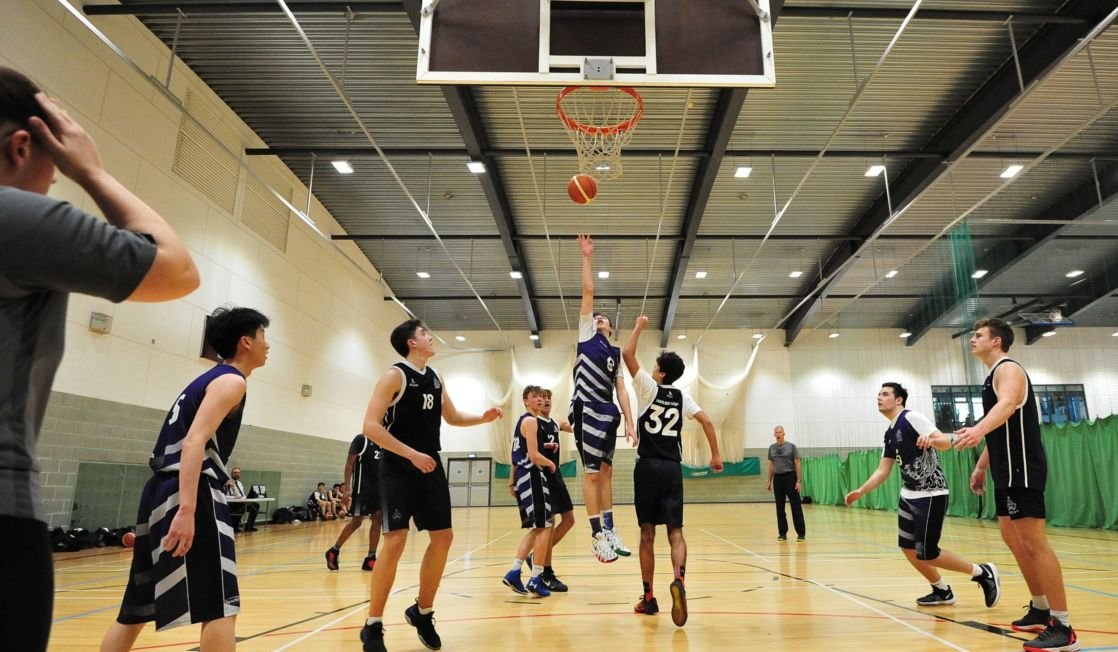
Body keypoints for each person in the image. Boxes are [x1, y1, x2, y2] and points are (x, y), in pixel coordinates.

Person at [1, 67, 199, 651]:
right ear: (21, 147)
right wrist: (90, 171)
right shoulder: (15, 217)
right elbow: (175, 270)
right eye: (52, 168)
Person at [100, 307, 269, 651]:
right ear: (246, 341)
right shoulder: (231, 381)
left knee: (135, 610)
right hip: (189, 491)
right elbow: (194, 442)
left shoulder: (206, 380)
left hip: (160, 491)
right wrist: (188, 510)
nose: (269, 345)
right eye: (264, 336)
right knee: (220, 606)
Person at [359, 319, 503, 652]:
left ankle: (422, 611)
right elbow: (369, 426)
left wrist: (482, 418)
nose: (430, 337)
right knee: (395, 541)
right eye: (424, 333)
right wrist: (410, 454)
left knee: (444, 537)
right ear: (411, 343)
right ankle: (373, 625)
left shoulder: (436, 377)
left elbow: (451, 417)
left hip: (428, 464)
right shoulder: (394, 376)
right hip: (397, 465)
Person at [955, 318, 1078, 651]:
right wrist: (982, 464)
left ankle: (1063, 627)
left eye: (978, 335)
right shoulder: (991, 376)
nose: (972, 340)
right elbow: (999, 427)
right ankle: (1040, 606)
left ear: (997, 341)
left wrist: (976, 430)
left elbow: (1008, 406)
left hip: (1023, 467)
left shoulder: (1008, 369)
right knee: (1012, 538)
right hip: (1005, 468)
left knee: (1034, 542)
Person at [845, 382, 1001, 609]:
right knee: (908, 549)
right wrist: (861, 491)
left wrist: (931, 441)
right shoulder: (890, 432)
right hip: (909, 495)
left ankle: (982, 572)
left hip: (931, 493)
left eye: (885, 394)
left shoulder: (911, 418)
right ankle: (941, 590)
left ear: (898, 399)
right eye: (878, 394)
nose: (879, 397)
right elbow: (883, 470)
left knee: (928, 552)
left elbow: (946, 442)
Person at [622, 315, 723, 627]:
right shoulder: (683, 396)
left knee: (647, 534)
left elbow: (627, 354)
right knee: (676, 532)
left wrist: (638, 325)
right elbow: (707, 421)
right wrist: (716, 455)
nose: (651, 370)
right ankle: (679, 578)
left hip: (648, 466)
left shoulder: (649, 388)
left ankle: (649, 597)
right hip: (672, 468)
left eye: (655, 367)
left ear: (661, 373)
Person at [572, 234, 637, 563]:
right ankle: (597, 535)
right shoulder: (585, 335)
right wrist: (587, 257)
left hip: (609, 411)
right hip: (585, 409)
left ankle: (610, 529)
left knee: (608, 474)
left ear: (610, 327)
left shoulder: (614, 352)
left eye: (602, 318)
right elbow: (588, 292)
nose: (597, 318)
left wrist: (630, 421)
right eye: (594, 317)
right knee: (592, 474)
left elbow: (622, 388)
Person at [502, 386, 555, 598]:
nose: (540, 400)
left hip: (523, 477)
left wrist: (512, 481)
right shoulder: (531, 421)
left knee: (537, 528)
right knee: (545, 526)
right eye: (535, 397)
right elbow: (533, 456)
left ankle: (515, 571)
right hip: (532, 474)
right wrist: (550, 463)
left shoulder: (522, 421)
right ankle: (536, 578)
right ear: (526, 401)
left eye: (542, 396)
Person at [325, 434, 384, 572]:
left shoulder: (385, 441)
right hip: (361, 489)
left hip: (379, 490)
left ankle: (371, 558)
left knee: (377, 520)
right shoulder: (361, 440)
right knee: (356, 522)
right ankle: (334, 551)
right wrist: (346, 489)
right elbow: (349, 464)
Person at [767, 425, 806, 542]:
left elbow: (797, 463)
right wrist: (769, 480)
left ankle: (801, 534)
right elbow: (772, 465)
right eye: (776, 432)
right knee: (780, 507)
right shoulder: (772, 448)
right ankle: (782, 533)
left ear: (784, 434)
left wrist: (798, 481)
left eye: (780, 432)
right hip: (778, 479)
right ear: (774, 435)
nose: (778, 434)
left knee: (796, 506)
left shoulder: (791, 447)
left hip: (790, 477)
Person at [225, 466, 259, 532]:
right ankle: (235, 526)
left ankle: (249, 526)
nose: (237, 474)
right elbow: (225, 495)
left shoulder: (240, 483)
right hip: (233, 503)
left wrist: (246, 498)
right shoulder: (227, 483)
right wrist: (234, 496)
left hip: (242, 501)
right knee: (244, 506)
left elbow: (242, 494)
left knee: (256, 505)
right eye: (235, 472)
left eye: (238, 473)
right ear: (231, 473)